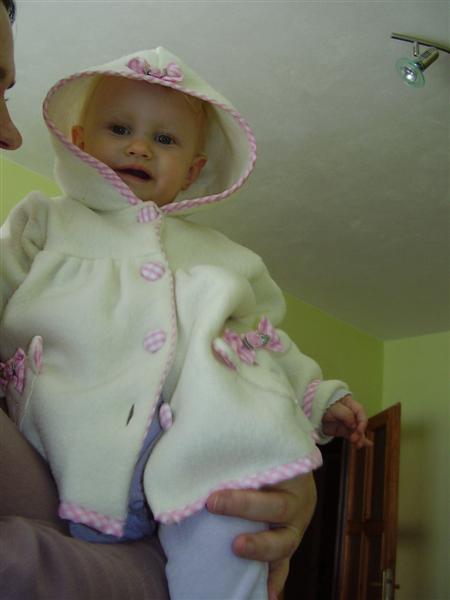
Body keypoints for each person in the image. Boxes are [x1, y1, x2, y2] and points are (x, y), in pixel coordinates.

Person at [0, 5, 368, 600]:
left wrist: (319, 397)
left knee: (233, 529)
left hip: (200, 443)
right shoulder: (45, 221)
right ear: (80, 141)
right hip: (70, 437)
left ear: (193, 171)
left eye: (164, 139)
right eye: (119, 129)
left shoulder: (226, 258)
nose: (140, 147)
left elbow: (263, 342)